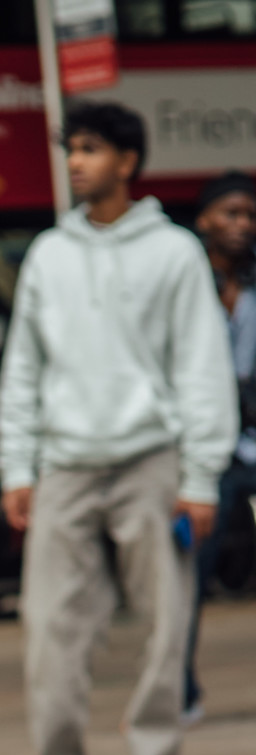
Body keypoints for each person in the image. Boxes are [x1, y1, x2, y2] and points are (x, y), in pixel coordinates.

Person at [0, 101, 237, 755]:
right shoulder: (48, 255)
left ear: (128, 162)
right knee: (50, 632)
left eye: (91, 150)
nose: (75, 163)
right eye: (73, 150)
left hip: (150, 463)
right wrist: (16, 466)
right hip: (64, 465)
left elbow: (202, 368)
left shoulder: (173, 253)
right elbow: (23, 370)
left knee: (164, 628)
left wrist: (200, 476)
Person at [182, 171, 256, 722]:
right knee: (189, 574)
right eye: (230, 213)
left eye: (250, 215)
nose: (242, 224)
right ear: (205, 218)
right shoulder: (186, 282)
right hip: (207, 451)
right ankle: (178, 689)